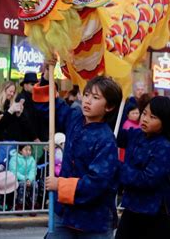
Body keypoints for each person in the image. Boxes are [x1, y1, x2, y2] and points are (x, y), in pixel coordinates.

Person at [39, 64, 122, 237]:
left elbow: (96, 183)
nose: (87, 101)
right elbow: (52, 107)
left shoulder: (106, 140)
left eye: (95, 97)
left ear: (109, 107)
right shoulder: (75, 118)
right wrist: (47, 77)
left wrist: (59, 185)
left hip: (94, 221)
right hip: (64, 214)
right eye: (86, 95)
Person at [116, 96, 170, 239]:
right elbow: (116, 135)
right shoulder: (136, 135)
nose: (145, 119)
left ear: (165, 123)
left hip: (155, 214)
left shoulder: (163, 147)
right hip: (132, 209)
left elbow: (147, 179)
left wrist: (118, 168)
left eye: (153, 117)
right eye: (144, 113)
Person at [0, 81, 25, 165]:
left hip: (11, 141)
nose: (12, 94)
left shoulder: (11, 103)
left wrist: (18, 115)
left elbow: (14, 124)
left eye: (13, 92)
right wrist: (10, 111)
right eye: (10, 91)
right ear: (4, 90)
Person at [9, 144, 37, 209]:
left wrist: (29, 179)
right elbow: (14, 171)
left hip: (29, 180)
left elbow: (33, 171)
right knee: (22, 184)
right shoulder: (14, 158)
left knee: (35, 184)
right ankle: (20, 205)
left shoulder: (32, 159)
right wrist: (25, 179)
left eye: (30, 150)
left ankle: (32, 204)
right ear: (20, 151)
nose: (28, 152)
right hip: (17, 179)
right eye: (26, 150)